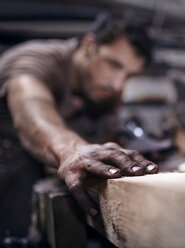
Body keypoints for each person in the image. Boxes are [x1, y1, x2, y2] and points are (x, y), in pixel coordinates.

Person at [0, 12, 158, 239]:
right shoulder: (37, 59)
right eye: (114, 64)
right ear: (89, 45)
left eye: (129, 75)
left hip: (33, 214)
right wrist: (71, 150)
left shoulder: (104, 90)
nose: (118, 84)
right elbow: (31, 105)